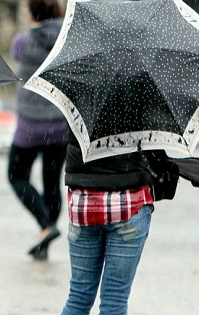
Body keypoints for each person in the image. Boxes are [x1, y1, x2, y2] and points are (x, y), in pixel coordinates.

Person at [59, 133, 155, 314]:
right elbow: (154, 150)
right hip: (128, 203)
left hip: (84, 205)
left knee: (78, 297)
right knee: (115, 299)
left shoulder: (79, 104)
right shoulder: (140, 104)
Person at [7, 0, 69, 261]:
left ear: (33, 13)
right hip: (59, 124)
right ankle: (48, 231)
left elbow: (16, 50)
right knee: (52, 182)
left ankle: (45, 225)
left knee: (17, 175)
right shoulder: (69, 42)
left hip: (30, 125)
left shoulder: (23, 43)